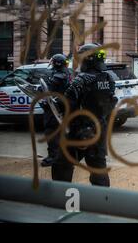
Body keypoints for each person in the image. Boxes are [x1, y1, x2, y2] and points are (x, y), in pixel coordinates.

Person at [51, 43, 117, 187]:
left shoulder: (81, 80)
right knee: (98, 168)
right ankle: (103, 200)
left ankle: (61, 196)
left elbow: (66, 104)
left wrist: (51, 102)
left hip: (78, 131)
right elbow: (110, 104)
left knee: (62, 165)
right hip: (99, 130)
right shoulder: (108, 78)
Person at [40, 54, 70, 167]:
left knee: (51, 132)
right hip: (61, 107)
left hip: (54, 109)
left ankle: (53, 157)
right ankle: (61, 155)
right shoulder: (67, 73)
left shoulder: (58, 76)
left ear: (56, 63)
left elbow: (48, 91)